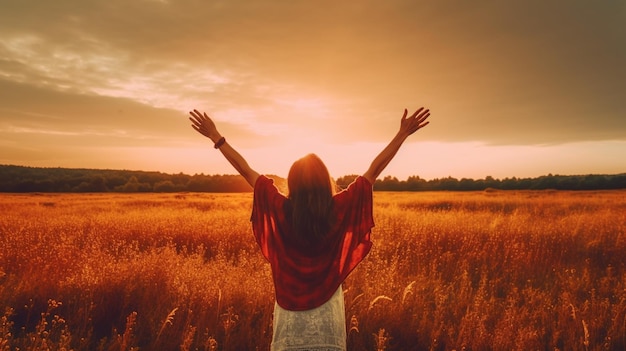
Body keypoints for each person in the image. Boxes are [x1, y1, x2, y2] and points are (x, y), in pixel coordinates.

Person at [189, 107, 431, 351]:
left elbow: (245, 170)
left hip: (289, 322)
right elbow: (374, 170)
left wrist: (216, 137)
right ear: (325, 181)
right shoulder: (338, 209)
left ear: (292, 182)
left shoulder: (281, 209)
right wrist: (402, 134)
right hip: (328, 321)